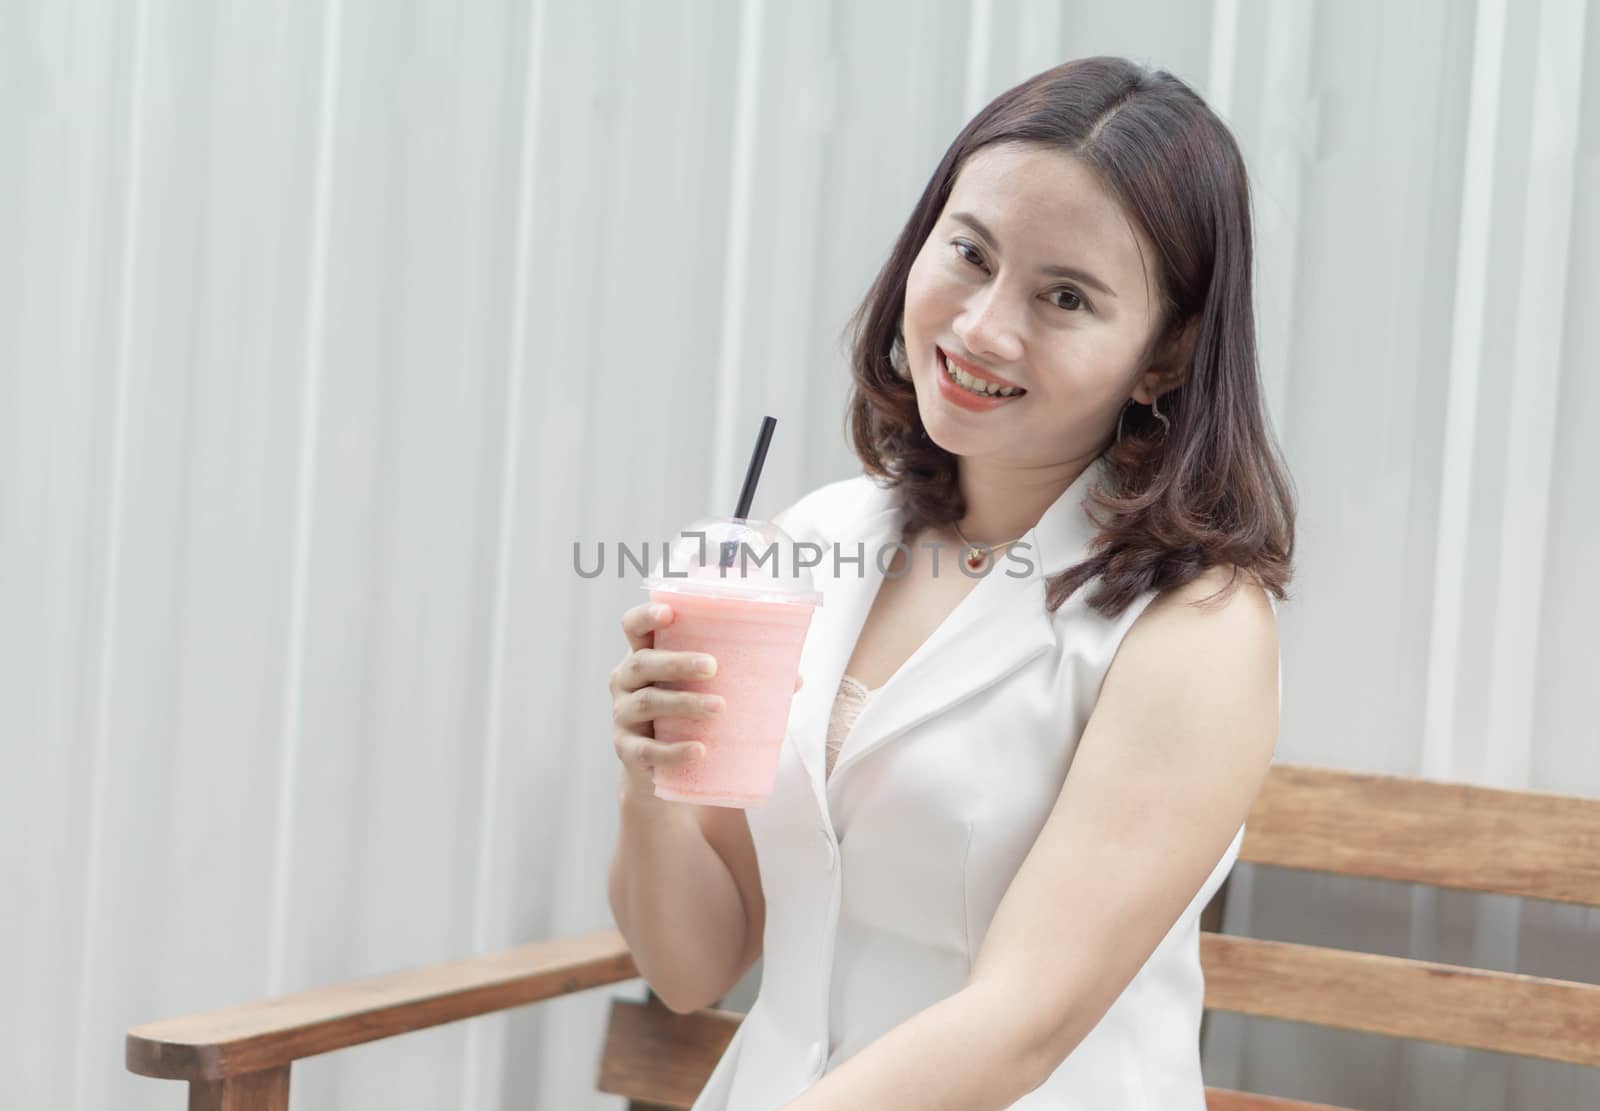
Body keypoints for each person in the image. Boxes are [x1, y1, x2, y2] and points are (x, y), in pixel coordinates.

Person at [608, 55, 1295, 1110]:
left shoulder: (1197, 627)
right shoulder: (816, 538)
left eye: (1064, 296)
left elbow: (1018, 1022)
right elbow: (692, 969)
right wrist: (650, 786)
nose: (981, 328)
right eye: (969, 253)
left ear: (1166, 353)